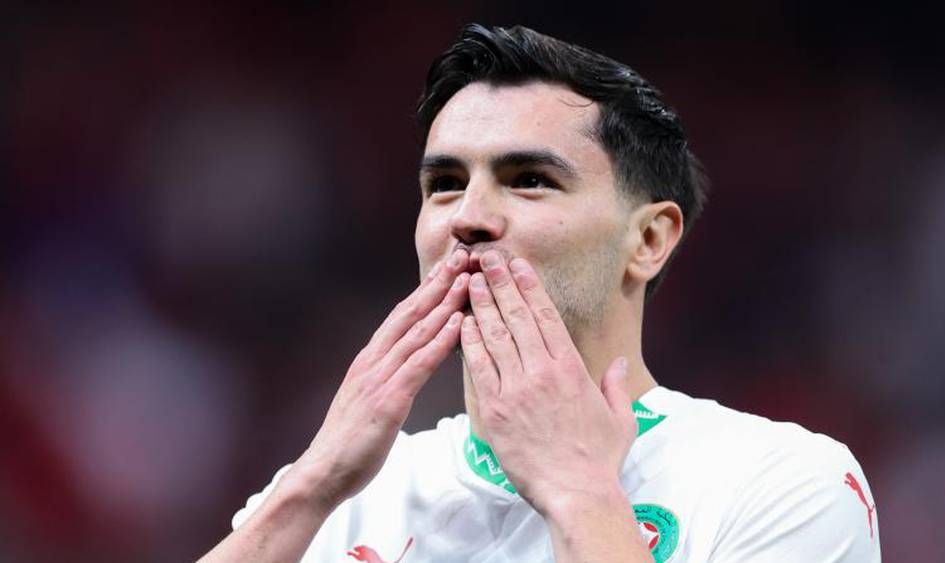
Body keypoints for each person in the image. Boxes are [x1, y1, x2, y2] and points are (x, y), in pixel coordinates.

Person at [200, 24, 881, 562]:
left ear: (649, 239)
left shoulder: (783, 481)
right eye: (444, 184)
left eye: (529, 180)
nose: (468, 216)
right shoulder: (337, 498)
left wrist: (580, 496)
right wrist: (309, 485)